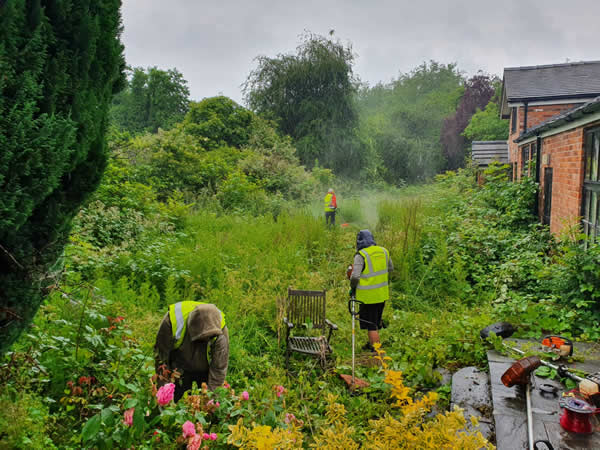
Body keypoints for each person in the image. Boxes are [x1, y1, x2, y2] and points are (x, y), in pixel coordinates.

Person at [154, 301, 229, 401]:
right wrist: (164, 395)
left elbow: (218, 369)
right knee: (174, 399)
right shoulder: (171, 323)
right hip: (178, 367)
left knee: (208, 403)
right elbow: (161, 359)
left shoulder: (220, 333)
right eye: (200, 340)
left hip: (205, 370)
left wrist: (211, 401)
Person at [349, 230, 393, 352]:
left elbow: (355, 276)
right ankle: (371, 344)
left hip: (368, 297)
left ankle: (376, 353)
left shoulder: (361, 255)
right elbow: (391, 268)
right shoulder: (384, 251)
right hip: (382, 294)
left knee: (371, 325)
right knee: (375, 320)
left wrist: (352, 288)